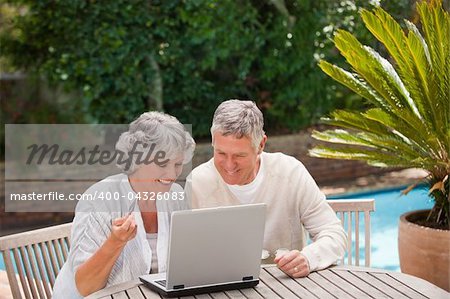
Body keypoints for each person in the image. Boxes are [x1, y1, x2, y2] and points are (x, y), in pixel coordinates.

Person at [188, 99, 346, 278]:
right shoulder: (197, 183)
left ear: (261, 145)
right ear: (212, 142)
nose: (229, 166)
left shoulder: (290, 172)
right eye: (221, 153)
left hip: (288, 287)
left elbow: (334, 234)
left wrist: (308, 258)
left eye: (240, 155)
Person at [53, 112, 195, 298]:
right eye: (162, 164)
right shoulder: (98, 201)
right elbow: (85, 287)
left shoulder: (175, 196)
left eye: (177, 164)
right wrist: (116, 242)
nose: (172, 174)